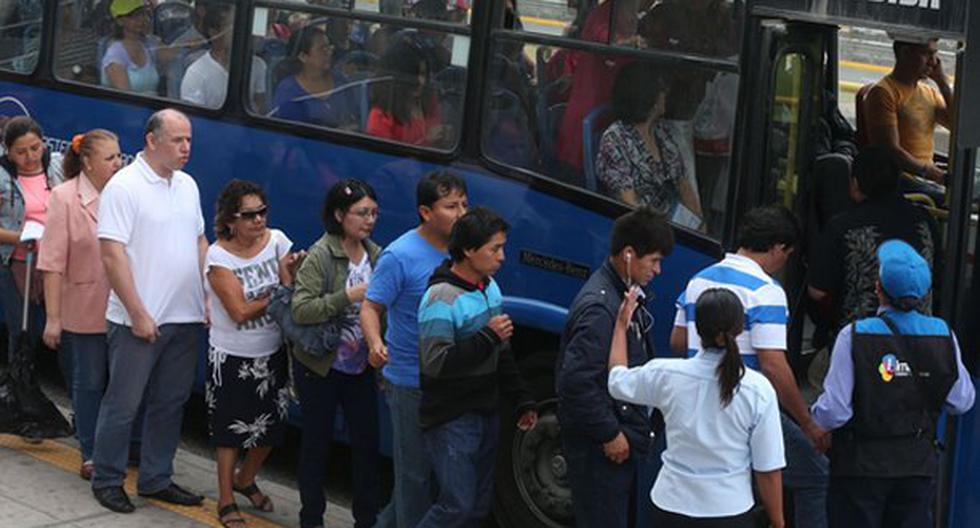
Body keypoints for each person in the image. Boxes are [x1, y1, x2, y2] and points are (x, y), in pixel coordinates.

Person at [670, 205, 829, 528]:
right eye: (786, 254)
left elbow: (677, 340)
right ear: (777, 248)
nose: (784, 262)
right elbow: (773, 366)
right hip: (745, 410)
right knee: (815, 474)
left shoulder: (699, 280)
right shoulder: (767, 291)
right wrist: (808, 423)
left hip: (698, 404)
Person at [91, 109, 207, 513]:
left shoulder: (188, 185)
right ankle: (107, 478)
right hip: (137, 320)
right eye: (178, 140)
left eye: (189, 140)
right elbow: (112, 255)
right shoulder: (124, 186)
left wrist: (205, 297)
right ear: (152, 140)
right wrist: (138, 311)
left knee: (169, 403)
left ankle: (156, 478)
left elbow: (199, 240)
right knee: (124, 404)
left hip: (184, 317)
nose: (186, 148)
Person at [812, 240, 975, 527]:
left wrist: (814, 417)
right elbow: (961, 400)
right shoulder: (944, 335)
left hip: (859, 467)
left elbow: (835, 412)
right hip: (917, 465)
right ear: (924, 292)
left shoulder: (854, 335)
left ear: (878, 288)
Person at [608, 288, 785, 527]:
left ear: (697, 328)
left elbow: (616, 380)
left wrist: (620, 326)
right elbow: (768, 470)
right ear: (740, 329)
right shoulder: (758, 390)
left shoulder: (665, 374)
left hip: (670, 505)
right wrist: (778, 522)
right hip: (729, 510)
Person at [415, 207, 538, 527]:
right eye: (494, 249)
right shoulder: (441, 298)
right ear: (469, 251)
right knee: (456, 506)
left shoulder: (488, 288)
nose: (502, 257)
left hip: (486, 411)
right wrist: (488, 335)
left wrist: (523, 398)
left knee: (478, 508)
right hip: (452, 418)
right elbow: (435, 364)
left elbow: (502, 352)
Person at [360, 170, 468, 528]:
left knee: (432, 479)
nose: (461, 213)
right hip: (409, 381)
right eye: (451, 206)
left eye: (464, 204)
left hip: (450, 381)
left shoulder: (462, 250)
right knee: (413, 477)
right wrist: (376, 343)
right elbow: (372, 306)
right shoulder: (400, 255)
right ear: (425, 212)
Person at [555, 206, 674, 528]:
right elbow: (576, 383)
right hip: (601, 449)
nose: (658, 271)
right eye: (654, 261)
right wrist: (609, 434)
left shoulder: (625, 295)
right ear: (629, 255)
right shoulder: (599, 308)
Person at [37, 129, 141, 480]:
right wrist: (53, 318)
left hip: (125, 305)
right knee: (90, 381)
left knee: (124, 382)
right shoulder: (65, 198)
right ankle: (91, 450)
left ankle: (124, 445)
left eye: (119, 155)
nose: (118, 162)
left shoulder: (126, 193)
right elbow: (51, 263)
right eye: (110, 157)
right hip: (84, 305)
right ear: (88, 162)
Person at [205, 179, 301, 527]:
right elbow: (239, 311)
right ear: (230, 220)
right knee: (229, 432)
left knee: (272, 427)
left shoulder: (277, 241)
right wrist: (280, 291)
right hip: (232, 356)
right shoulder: (218, 256)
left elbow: (295, 281)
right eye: (249, 215)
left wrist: (293, 274)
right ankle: (226, 499)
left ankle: (245, 479)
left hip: (271, 351)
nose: (258, 221)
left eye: (262, 212)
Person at [291, 179, 382, 528]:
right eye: (361, 213)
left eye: (373, 212)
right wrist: (348, 296)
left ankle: (367, 520)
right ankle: (311, 518)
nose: (369, 220)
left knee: (366, 447)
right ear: (339, 215)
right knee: (316, 445)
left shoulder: (377, 255)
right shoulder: (321, 255)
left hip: (360, 369)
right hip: (321, 368)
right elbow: (302, 310)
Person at [809, 147, 938, 332]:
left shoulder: (842, 226)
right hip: (918, 342)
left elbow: (817, 292)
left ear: (855, 183)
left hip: (859, 342)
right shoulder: (925, 221)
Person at [597, 62, 702, 221]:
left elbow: (683, 183)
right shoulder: (615, 139)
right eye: (661, 90)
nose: (665, 94)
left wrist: (698, 223)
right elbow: (629, 204)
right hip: (641, 226)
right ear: (649, 97)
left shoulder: (661, 131)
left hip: (669, 220)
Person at [0, 117, 64, 367]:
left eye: (36, 148)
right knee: (23, 329)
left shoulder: (56, 167)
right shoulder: (4, 178)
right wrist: (19, 238)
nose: (31, 157)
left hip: (55, 261)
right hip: (17, 261)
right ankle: (18, 385)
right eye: (21, 152)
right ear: (8, 151)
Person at [556, 0, 638, 172]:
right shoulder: (604, 14)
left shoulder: (620, 11)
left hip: (607, 100)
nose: (634, 18)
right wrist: (634, 42)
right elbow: (608, 43)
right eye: (631, 12)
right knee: (578, 161)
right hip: (591, 100)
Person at [864, 36, 952, 185]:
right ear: (905, 53)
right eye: (927, 54)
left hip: (925, 177)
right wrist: (934, 175)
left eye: (935, 55)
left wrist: (943, 83)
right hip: (903, 180)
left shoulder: (928, 92)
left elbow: (959, 128)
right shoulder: (883, 92)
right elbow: (891, 151)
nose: (933, 62)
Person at [180, 3, 269, 110]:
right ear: (214, 32)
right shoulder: (196, 73)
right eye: (232, 26)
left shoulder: (258, 65)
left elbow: (260, 105)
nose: (241, 31)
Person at [366, 35, 448, 147]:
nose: (421, 81)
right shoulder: (382, 115)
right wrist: (425, 143)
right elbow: (383, 162)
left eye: (423, 74)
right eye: (413, 76)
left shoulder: (429, 102)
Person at [271, 26, 359, 129]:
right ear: (303, 56)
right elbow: (291, 136)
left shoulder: (340, 80)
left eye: (329, 47)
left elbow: (355, 119)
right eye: (322, 49)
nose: (329, 53)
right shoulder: (288, 91)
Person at [101, 0, 161, 95]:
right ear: (120, 21)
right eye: (133, 16)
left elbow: (175, 55)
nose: (142, 19)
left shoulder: (149, 44)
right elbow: (126, 99)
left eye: (144, 14)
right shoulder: (115, 54)